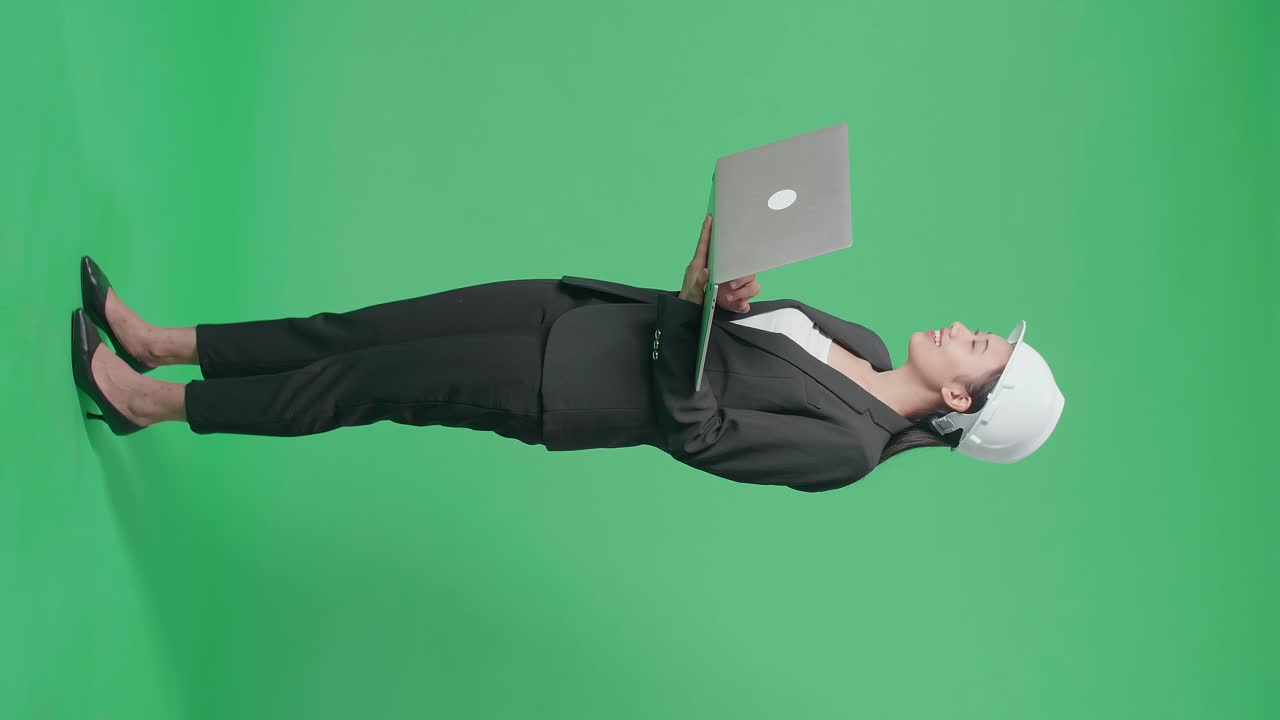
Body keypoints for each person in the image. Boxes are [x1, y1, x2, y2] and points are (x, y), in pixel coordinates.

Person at [71, 214, 1065, 492]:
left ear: (958, 402)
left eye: (983, 352)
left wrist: (692, 306)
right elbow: (723, 343)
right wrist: (722, 290)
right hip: (578, 313)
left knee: (358, 383)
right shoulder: (855, 342)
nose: (972, 333)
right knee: (357, 331)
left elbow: (696, 430)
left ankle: (148, 402)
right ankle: (161, 342)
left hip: (562, 386)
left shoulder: (844, 452)